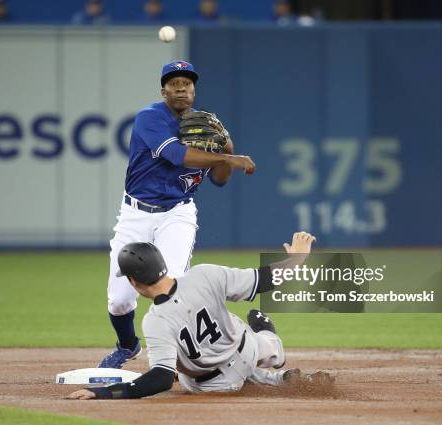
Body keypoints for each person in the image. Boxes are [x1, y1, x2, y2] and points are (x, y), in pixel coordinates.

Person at [96, 60, 256, 369]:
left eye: (187, 83)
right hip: (135, 213)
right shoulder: (150, 118)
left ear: (194, 91)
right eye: (174, 83)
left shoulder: (204, 126)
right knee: (119, 300)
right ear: (163, 90)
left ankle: (179, 359)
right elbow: (175, 154)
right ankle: (127, 346)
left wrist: (227, 145)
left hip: (177, 213)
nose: (181, 87)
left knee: (174, 287)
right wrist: (231, 157)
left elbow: (220, 179)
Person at [69, 232, 330, 399]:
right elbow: (264, 280)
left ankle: (270, 377)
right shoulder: (204, 274)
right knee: (253, 335)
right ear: (162, 264)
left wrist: (104, 393)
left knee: (174, 370)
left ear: (134, 282)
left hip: (214, 386)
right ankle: (271, 349)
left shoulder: (155, 321)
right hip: (247, 349)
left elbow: (159, 379)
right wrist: (297, 260)